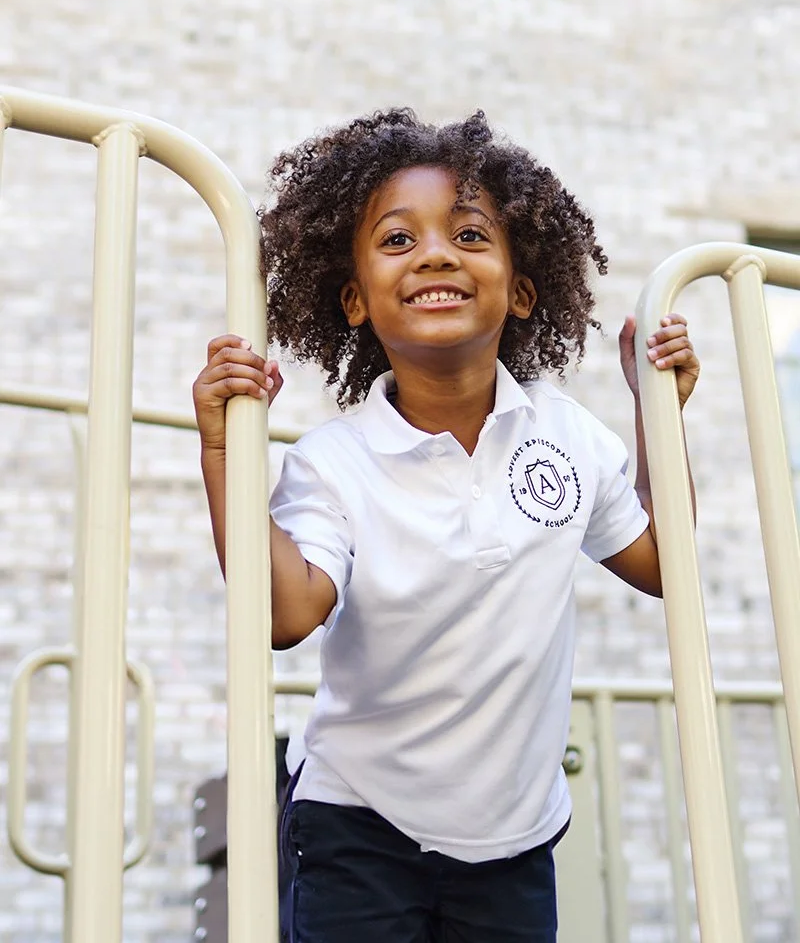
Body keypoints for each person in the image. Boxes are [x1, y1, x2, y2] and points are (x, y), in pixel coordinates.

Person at [192, 109, 700, 943]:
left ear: (521, 287)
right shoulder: (336, 461)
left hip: (516, 838)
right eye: (397, 241)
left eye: (470, 234)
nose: (435, 253)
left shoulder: (565, 434)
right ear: (353, 300)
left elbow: (663, 561)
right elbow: (286, 615)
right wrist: (223, 451)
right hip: (360, 821)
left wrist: (658, 414)